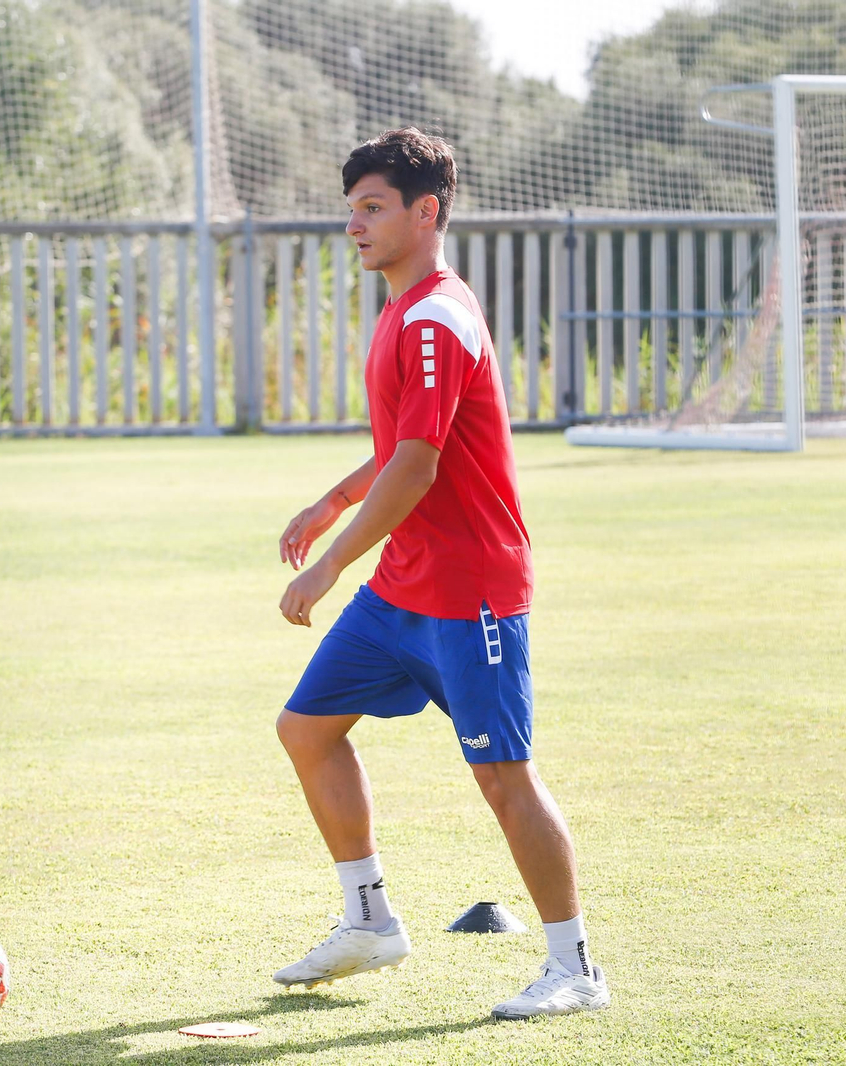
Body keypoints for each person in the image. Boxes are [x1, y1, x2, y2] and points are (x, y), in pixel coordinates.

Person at [271, 127, 608, 1020]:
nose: (355, 225)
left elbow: (418, 468)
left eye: (373, 207)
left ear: (427, 212)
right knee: (306, 729)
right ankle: (370, 920)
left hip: (471, 591)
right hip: (406, 587)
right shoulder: (401, 311)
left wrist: (332, 565)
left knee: (504, 777)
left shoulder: (434, 318)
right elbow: (398, 455)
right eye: (351, 209)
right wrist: (332, 504)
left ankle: (575, 968)